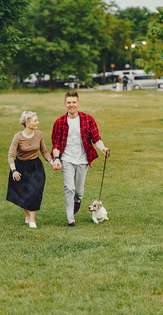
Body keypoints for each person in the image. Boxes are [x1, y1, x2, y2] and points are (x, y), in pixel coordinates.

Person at [52, 91, 110, 227]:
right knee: (69, 187)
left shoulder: (88, 119)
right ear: (65, 104)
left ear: (78, 103)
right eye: (68, 102)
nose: (71, 105)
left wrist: (103, 148)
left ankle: (77, 201)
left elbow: (96, 139)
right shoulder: (59, 122)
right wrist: (56, 158)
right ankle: (70, 219)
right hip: (66, 159)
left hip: (83, 159)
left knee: (78, 191)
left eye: (74, 102)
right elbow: (56, 144)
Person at [7, 111, 56, 229]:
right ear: (27, 123)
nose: (38, 122)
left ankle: (32, 219)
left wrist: (52, 162)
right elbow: (10, 156)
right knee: (24, 194)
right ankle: (27, 215)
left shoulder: (39, 134)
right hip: (21, 167)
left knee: (36, 192)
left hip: (36, 166)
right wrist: (14, 170)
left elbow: (44, 151)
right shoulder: (18, 137)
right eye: (35, 121)